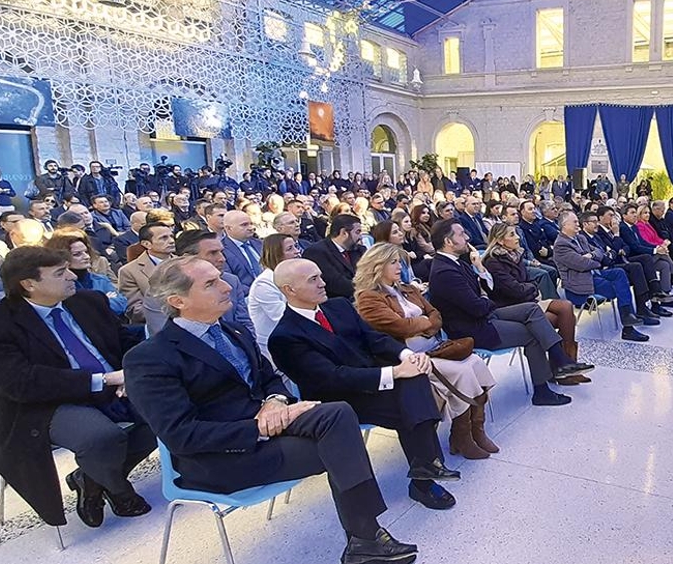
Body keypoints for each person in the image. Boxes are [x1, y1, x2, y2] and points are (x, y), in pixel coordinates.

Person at [123, 257, 417, 563]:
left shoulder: (233, 330)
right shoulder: (149, 358)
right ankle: (366, 538)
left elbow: (269, 379)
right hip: (220, 457)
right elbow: (182, 436)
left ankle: (364, 538)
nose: (227, 286)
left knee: (338, 413)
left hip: (269, 427)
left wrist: (276, 402)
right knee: (341, 446)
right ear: (177, 300)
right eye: (210, 284)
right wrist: (260, 427)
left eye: (220, 277)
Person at [0, 246, 155, 528]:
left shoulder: (89, 301)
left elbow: (122, 341)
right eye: (60, 273)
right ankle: (118, 489)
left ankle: (90, 480)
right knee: (100, 438)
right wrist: (103, 380)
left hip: (114, 384)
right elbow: (23, 382)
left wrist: (130, 372)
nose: (72, 275)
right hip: (44, 404)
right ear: (29, 284)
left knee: (161, 417)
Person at [268, 259, 461, 511]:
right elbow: (333, 378)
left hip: (372, 380)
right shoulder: (285, 337)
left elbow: (375, 338)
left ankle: (424, 470)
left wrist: (407, 357)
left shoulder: (337, 306)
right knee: (412, 408)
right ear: (289, 290)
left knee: (415, 381)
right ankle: (424, 476)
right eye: (313, 279)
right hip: (340, 401)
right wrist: (393, 372)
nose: (323, 283)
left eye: (320, 275)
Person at [354, 243, 499, 459]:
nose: (399, 266)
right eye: (393, 262)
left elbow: (436, 315)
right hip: (408, 359)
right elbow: (398, 326)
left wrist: (422, 323)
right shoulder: (369, 298)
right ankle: (462, 436)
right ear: (377, 266)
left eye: (399, 262)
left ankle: (476, 429)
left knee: (475, 362)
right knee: (461, 372)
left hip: (435, 348)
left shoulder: (407, 288)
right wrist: (424, 323)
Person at [427, 218, 592, 406]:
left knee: (532, 310)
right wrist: (486, 299)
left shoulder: (459, 262)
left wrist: (480, 270)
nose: (467, 237)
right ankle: (542, 391)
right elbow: (479, 305)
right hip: (474, 328)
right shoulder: (445, 272)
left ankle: (561, 360)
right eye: (461, 234)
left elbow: (485, 290)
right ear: (448, 242)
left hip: (485, 315)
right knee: (533, 334)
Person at [483, 224, 587, 385]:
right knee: (554, 318)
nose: (518, 237)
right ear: (501, 241)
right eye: (512, 234)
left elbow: (527, 282)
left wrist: (530, 288)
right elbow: (514, 290)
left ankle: (567, 364)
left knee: (566, 307)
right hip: (510, 307)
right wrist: (531, 289)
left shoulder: (515, 255)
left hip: (527, 300)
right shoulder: (493, 262)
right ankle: (563, 367)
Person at [554, 211, 651, 342]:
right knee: (621, 287)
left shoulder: (580, 238)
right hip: (580, 284)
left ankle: (628, 319)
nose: (578, 224)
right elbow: (582, 264)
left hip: (594, 275)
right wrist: (593, 260)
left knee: (620, 273)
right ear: (565, 225)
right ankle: (628, 325)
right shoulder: (561, 245)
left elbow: (599, 252)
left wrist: (591, 256)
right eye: (575, 222)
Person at [248, 233, 304, 363]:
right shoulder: (264, 283)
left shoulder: (295, 276)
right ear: (276, 254)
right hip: (274, 346)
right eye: (290, 249)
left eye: (295, 247)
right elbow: (283, 317)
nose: (297, 252)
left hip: (297, 336)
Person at [45, 232, 129, 316]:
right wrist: (105, 299)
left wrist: (94, 305)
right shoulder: (61, 286)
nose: (86, 257)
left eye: (86, 252)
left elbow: (121, 305)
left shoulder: (101, 279)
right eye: (77, 254)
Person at [117, 222, 174, 321]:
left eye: (171, 236)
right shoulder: (129, 271)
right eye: (164, 238)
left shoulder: (186, 263)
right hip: (159, 324)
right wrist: (177, 311)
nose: (172, 241)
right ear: (146, 244)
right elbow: (135, 310)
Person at [303, 213, 366, 300]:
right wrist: (368, 288)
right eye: (357, 232)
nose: (360, 237)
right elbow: (335, 283)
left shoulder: (359, 250)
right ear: (344, 232)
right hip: (337, 302)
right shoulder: (317, 252)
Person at [220, 210, 264, 289]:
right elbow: (230, 282)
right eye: (244, 225)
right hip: (246, 296)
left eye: (251, 224)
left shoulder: (260, 244)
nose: (251, 228)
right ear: (228, 228)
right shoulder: (221, 250)